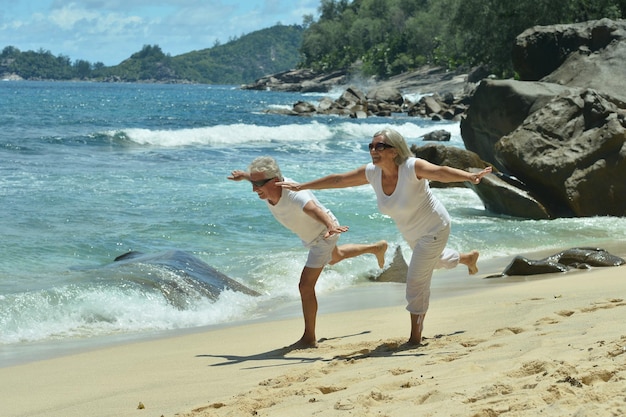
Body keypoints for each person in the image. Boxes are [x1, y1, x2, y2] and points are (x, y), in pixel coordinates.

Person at [279, 128, 492, 345]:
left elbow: (440, 172)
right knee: (434, 261)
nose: (373, 150)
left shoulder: (411, 167)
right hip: (412, 232)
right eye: (371, 146)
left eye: (380, 146)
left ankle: (415, 338)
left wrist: (469, 176)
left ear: (394, 151)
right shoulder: (373, 172)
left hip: (435, 227)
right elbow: (338, 180)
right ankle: (466, 258)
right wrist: (302, 186)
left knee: (416, 279)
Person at [228, 156, 388, 348]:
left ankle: (309, 338)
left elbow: (312, 208)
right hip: (313, 235)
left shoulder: (294, 193)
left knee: (305, 286)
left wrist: (329, 226)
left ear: (275, 180)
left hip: (324, 233)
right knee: (336, 257)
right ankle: (376, 248)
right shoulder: (267, 183)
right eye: (253, 183)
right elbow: (258, 178)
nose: (255, 189)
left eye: (259, 184)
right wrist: (245, 176)